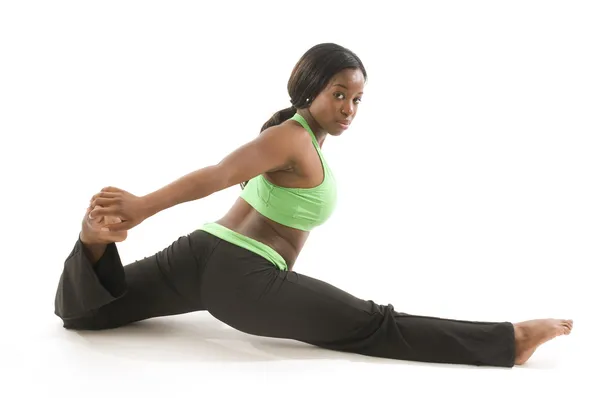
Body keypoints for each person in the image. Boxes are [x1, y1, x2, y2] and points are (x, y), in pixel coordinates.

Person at [54, 43, 572, 367]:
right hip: (244, 277)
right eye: (338, 94)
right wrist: (143, 206)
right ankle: (511, 340)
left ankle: (92, 244)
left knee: (90, 313)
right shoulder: (292, 138)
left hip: (198, 257)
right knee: (374, 324)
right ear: (309, 90)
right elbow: (218, 175)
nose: (349, 109)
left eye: (357, 99)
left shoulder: (295, 138)